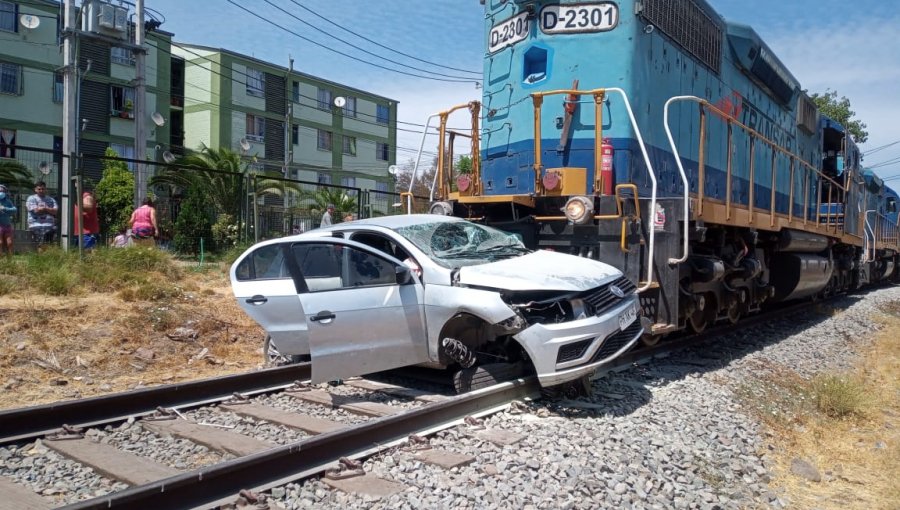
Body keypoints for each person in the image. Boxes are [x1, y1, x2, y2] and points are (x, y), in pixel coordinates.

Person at [26, 181, 58, 249]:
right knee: (40, 245)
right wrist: (49, 210)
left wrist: (44, 208)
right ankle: (40, 258)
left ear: (45, 189)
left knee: (50, 245)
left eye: (43, 189)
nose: (41, 190)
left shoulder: (51, 199)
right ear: (35, 190)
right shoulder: (31, 198)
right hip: (36, 225)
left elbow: (55, 212)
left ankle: (46, 257)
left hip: (49, 225)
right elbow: (36, 211)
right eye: (39, 189)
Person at [0, 184, 17, 257]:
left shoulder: (8, 201)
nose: (1, 192)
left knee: (9, 243)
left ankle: (10, 258)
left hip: (7, 225)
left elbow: (14, 209)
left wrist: (5, 208)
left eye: (2, 191)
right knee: (0, 243)